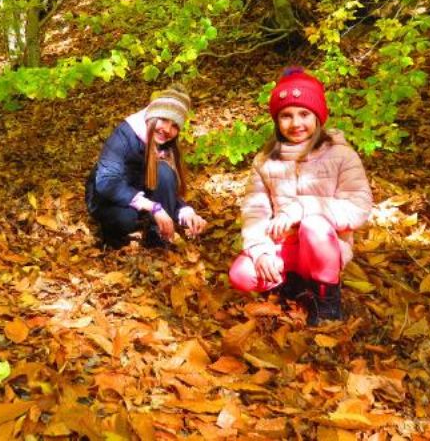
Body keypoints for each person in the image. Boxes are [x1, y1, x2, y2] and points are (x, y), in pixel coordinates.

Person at [228, 67, 372, 325]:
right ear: (277, 121)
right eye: (286, 116)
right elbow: (255, 210)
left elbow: (358, 207)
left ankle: (326, 300)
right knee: (241, 274)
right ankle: (293, 285)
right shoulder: (265, 160)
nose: (296, 123)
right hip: (283, 245)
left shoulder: (341, 155)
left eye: (304, 114)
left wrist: (301, 208)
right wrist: (260, 251)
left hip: (324, 246)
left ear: (318, 117)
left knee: (314, 225)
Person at [85, 86, 207, 249]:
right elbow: (106, 182)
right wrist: (153, 207)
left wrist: (187, 214)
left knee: (164, 172)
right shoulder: (124, 135)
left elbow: (165, 189)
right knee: (125, 219)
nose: (167, 130)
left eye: (175, 126)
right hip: (105, 198)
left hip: (139, 195)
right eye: (163, 120)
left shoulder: (166, 145)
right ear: (152, 115)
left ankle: (157, 235)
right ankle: (112, 237)